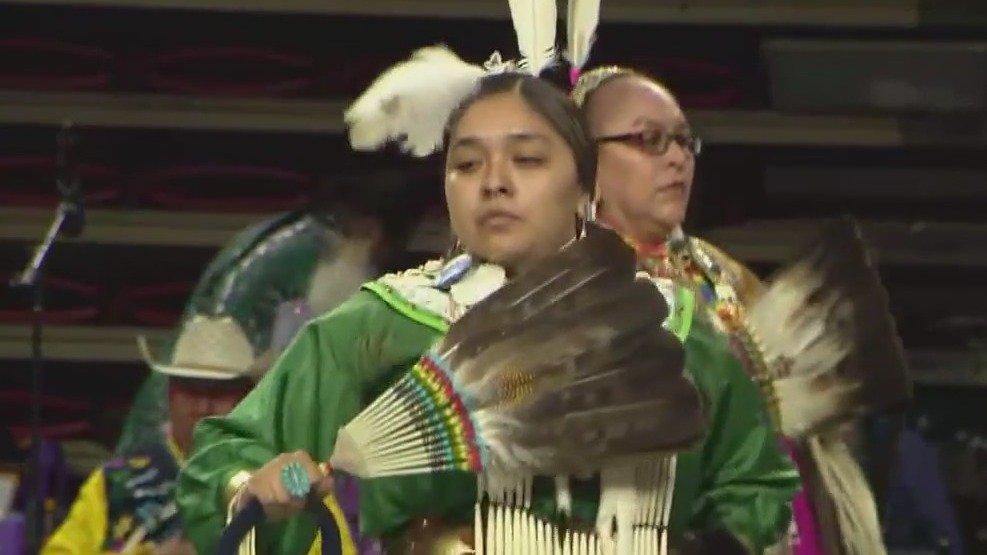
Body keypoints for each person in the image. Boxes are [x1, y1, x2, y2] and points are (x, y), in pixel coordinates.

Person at [175, 38, 799, 555]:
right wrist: (255, 486)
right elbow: (227, 455)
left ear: (584, 186)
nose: (494, 184)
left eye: (526, 161)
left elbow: (755, 482)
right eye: (467, 165)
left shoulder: (678, 327)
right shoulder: (386, 324)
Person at [570, 64, 893, 555]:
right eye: (650, 140)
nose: (676, 157)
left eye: (683, 140)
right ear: (584, 161)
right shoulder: (555, 284)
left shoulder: (715, 270)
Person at [42, 208, 382, 555]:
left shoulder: (290, 480)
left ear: (247, 398)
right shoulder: (117, 483)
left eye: (220, 394)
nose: (203, 407)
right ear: (171, 395)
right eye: (192, 391)